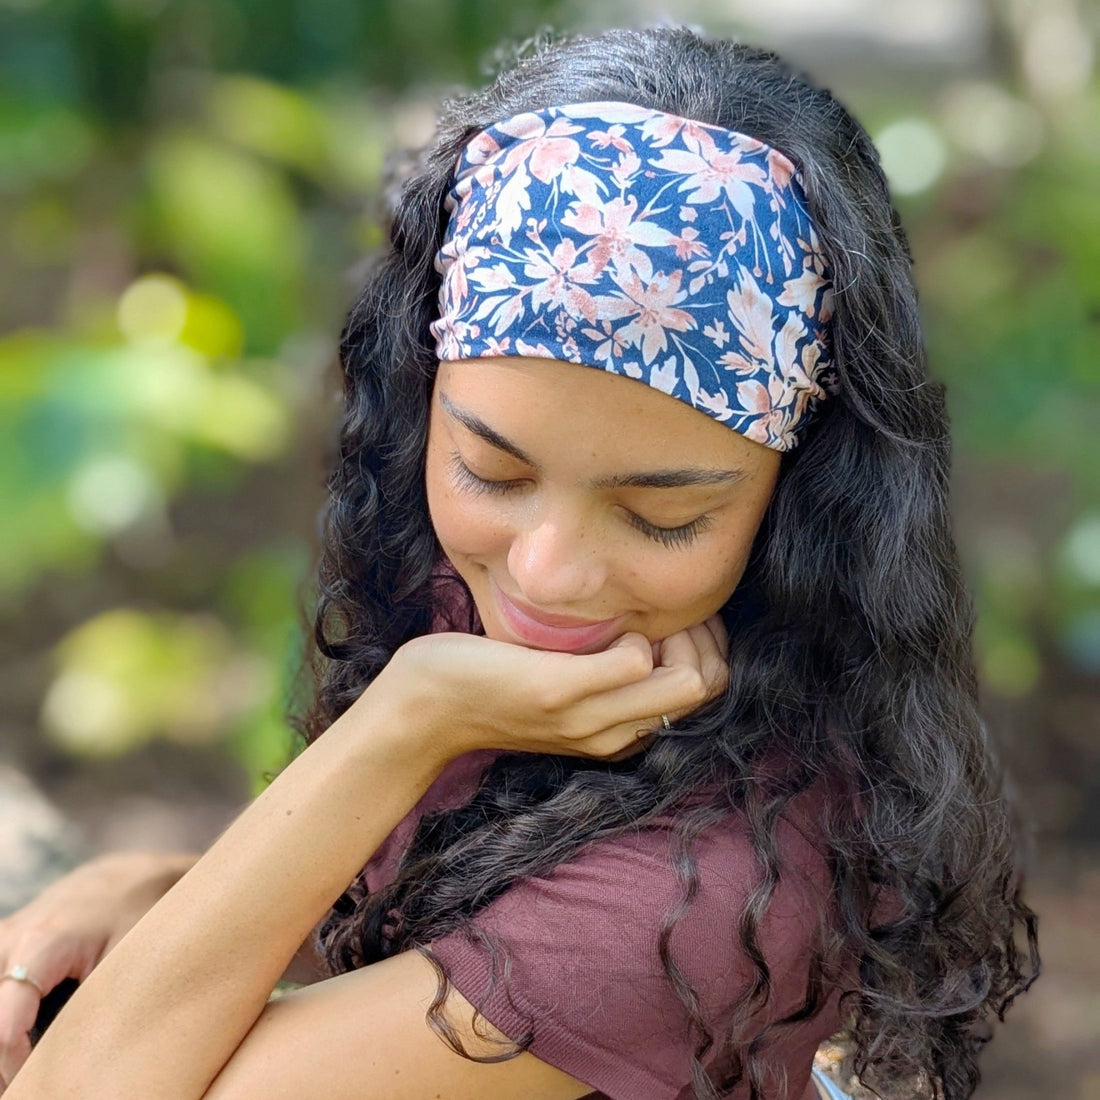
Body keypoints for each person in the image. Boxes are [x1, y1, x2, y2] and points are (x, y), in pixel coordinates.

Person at [0, 25, 1038, 1100]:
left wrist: (406, 721)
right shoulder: (515, 647)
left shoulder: (703, 901)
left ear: (798, 500)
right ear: (422, 400)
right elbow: (392, 974)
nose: (546, 574)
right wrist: (167, 886)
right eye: (490, 472)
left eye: (657, 517)